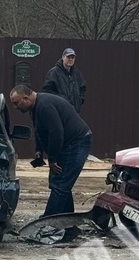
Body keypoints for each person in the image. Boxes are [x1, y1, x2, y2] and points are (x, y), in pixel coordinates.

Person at [8, 85, 92, 219]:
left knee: (60, 183)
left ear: (26, 98)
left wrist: (52, 160)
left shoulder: (44, 106)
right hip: (69, 143)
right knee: (61, 184)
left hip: (77, 142)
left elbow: (56, 133)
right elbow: (40, 130)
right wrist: (39, 150)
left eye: (16, 103)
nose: (15, 107)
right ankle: (68, 226)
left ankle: (48, 224)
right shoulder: (35, 107)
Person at [43, 48, 87, 114]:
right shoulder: (54, 72)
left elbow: (82, 88)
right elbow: (47, 90)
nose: (70, 59)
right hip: (59, 111)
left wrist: (80, 100)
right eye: (68, 57)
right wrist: (60, 101)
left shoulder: (76, 73)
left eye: (72, 57)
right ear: (63, 57)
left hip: (74, 112)